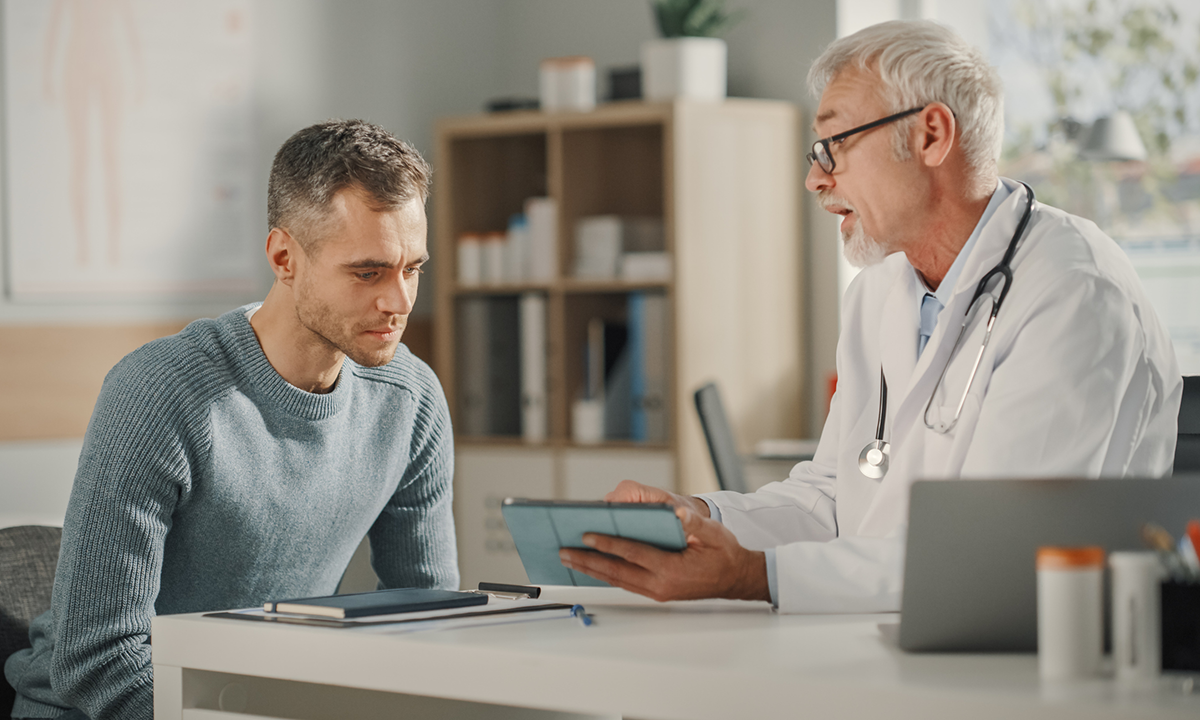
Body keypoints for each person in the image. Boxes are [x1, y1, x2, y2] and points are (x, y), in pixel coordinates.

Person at [559, 20, 1182, 613]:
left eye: (833, 145)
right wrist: (699, 518)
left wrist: (755, 576)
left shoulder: (1074, 292)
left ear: (931, 136)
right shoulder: (880, 293)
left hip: (1030, 668)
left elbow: (995, 554)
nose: (813, 178)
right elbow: (831, 500)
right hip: (881, 640)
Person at [5, 120, 457, 719]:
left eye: (413, 269)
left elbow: (428, 621)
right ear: (284, 257)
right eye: (368, 272)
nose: (399, 302)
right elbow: (99, 664)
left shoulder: (411, 400)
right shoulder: (160, 393)